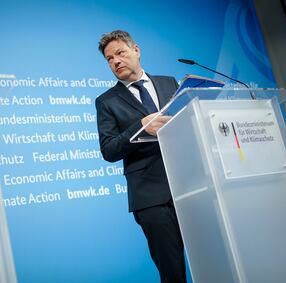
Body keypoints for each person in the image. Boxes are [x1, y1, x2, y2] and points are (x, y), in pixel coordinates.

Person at [95, 30, 187, 283]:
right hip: (151, 196)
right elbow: (109, 150)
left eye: (120, 53)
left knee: (212, 255)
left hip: (191, 184)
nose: (115, 61)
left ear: (136, 50)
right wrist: (140, 127)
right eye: (109, 59)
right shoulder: (106, 101)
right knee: (173, 272)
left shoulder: (170, 83)